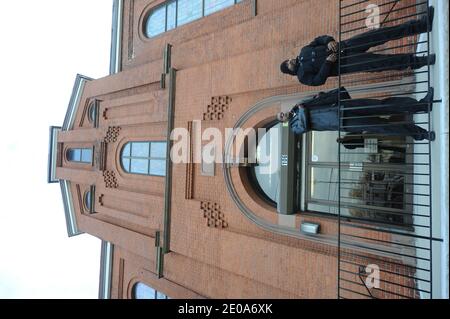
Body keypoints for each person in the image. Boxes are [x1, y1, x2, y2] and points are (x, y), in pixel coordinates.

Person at [280, 6, 435, 86]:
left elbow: (319, 39)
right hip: (346, 63)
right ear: (290, 71)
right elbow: (318, 80)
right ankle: (419, 62)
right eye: (288, 65)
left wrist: (329, 40)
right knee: (381, 62)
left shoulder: (303, 51)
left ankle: (421, 25)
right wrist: (328, 63)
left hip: (346, 46)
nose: (289, 62)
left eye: (287, 60)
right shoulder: (302, 76)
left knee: (380, 34)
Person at [277, 87, 435, 141]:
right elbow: (304, 126)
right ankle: (422, 134)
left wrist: (321, 96)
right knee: (383, 127)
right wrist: (303, 109)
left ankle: (422, 105)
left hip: (343, 107)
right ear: (283, 121)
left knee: (382, 105)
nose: (283, 114)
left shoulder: (298, 107)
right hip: (344, 123)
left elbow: (318, 102)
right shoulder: (293, 127)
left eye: (281, 113)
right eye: (281, 117)